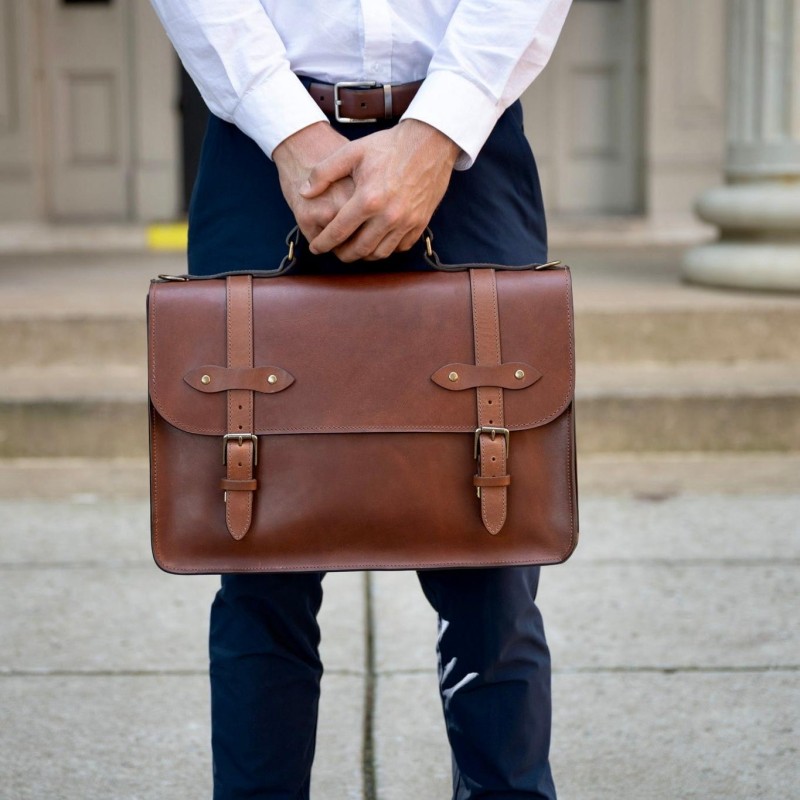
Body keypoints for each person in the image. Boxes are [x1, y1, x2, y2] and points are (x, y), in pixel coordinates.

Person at [149, 2, 573, 798]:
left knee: (497, 561)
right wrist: (288, 129)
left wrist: (437, 131)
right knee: (255, 557)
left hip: (468, 144)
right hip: (257, 144)